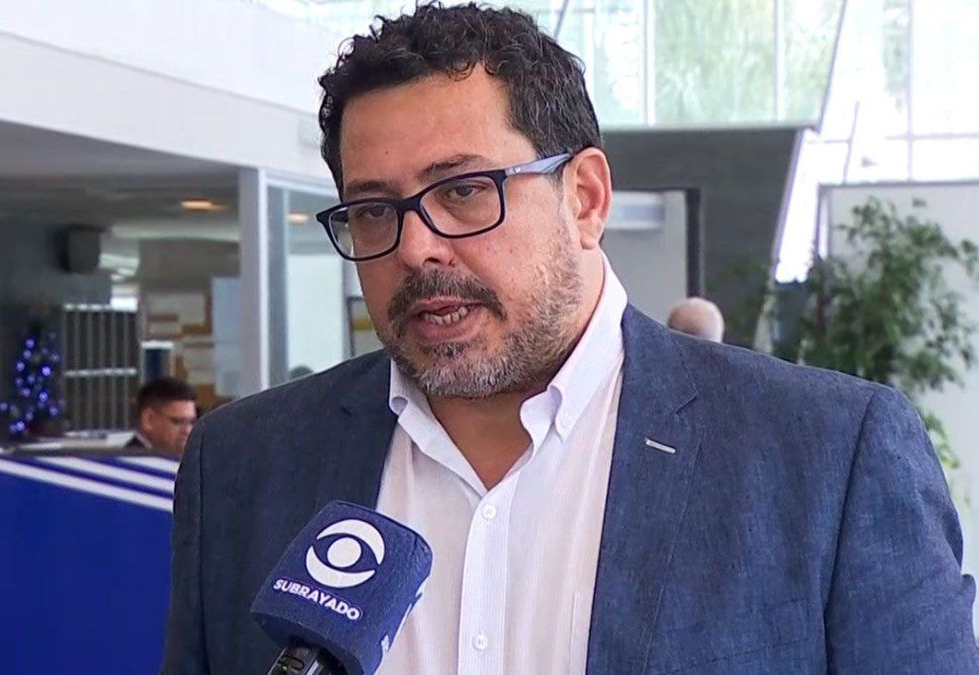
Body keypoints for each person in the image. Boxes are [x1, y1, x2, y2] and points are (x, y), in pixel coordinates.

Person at [162, 5, 977, 674]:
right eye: (375, 210)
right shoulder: (244, 463)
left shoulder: (826, 458)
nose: (415, 247)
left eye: (464, 190)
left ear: (585, 197)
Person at [127, 377, 197, 458]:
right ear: (148, 420)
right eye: (177, 422)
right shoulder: (127, 463)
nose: (187, 430)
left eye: (191, 422)